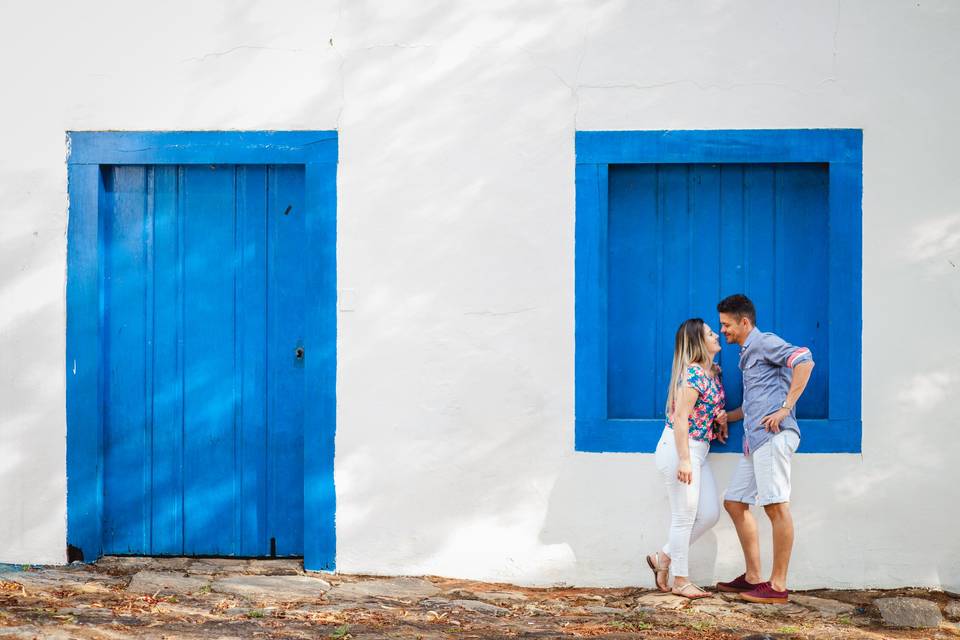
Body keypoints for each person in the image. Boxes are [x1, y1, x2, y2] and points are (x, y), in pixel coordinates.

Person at [715, 294, 814, 605]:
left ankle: (778, 586)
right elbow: (753, 403)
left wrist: (786, 408)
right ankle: (754, 576)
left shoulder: (764, 341)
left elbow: (804, 359)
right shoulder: (747, 354)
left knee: (775, 506)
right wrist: (726, 417)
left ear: (745, 322)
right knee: (734, 502)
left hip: (773, 438)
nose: (723, 331)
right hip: (754, 443)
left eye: (726, 325)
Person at [647, 318, 728, 599]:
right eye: (709, 333)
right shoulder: (692, 374)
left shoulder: (712, 373)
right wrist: (684, 459)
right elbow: (681, 417)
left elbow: (705, 410)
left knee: (709, 514)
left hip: (699, 450)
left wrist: (719, 418)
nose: (716, 335)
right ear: (698, 342)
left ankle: (663, 557)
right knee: (684, 517)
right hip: (680, 448)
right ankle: (681, 580)